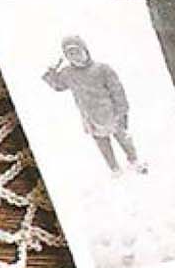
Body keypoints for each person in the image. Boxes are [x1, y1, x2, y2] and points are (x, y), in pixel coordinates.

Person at [42, 35, 144, 174]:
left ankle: (134, 160)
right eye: (70, 54)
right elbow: (58, 86)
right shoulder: (68, 73)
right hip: (90, 118)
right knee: (103, 144)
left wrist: (122, 112)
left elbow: (117, 91)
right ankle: (114, 168)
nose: (75, 57)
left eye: (77, 52)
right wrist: (51, 72)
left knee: (123, 138)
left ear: (85, 50)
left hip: (111, 114)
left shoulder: (102, 69)